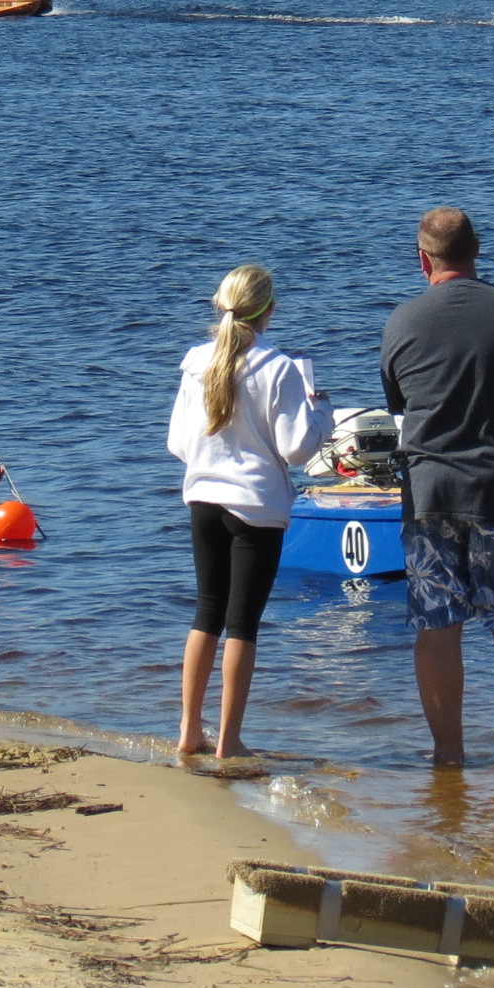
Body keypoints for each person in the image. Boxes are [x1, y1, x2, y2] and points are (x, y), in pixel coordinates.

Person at [380, 207, 494, 766]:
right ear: (477, 250)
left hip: (429, 493)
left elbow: (400, 404)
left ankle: (447, 756)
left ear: (422, 258)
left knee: (437, 626)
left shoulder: (402, 321)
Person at [167, 263, 325, 760]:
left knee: (206, 612)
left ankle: (190, 731)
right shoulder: (279, 367)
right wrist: (319, 411)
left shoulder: (197, 360)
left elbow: (178, 442)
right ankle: (229, 740)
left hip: (203, 497)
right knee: (243, 623)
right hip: (254, 504)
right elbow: (297, 449)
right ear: (269, 311)